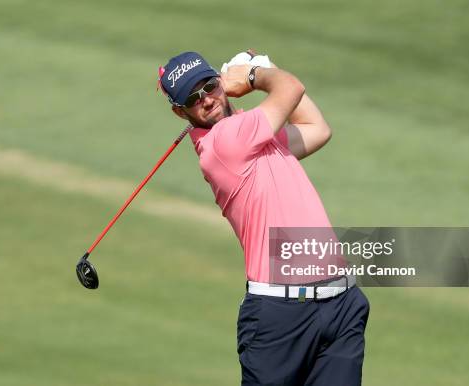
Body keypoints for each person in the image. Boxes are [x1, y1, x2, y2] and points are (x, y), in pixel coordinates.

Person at [158, 51, 370, 386]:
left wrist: (264, 70)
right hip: (281, 316)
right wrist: (256, 75)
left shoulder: (255, 139)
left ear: (219, 81)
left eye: (209, 86)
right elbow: (291, 88)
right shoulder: (224, 143)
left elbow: (316, 128)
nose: (207, 100)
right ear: (179, 111)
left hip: (340, 305)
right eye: (193, 98)